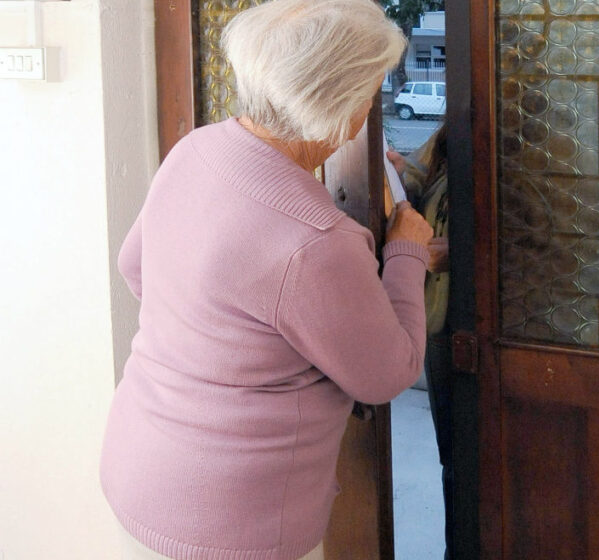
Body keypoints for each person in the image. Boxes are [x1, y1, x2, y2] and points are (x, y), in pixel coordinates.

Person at [99, 2, 433, 559]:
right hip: (228, 524)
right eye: (372, 90)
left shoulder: (196, 150)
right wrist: (407, 250)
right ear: (343, 104)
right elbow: (386, 374)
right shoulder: (315, 238)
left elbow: (135, 268)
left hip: (136, 469)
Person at [388, 124, 452, 559]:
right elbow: (417, 177)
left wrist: (461, 251)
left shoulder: (532, 145)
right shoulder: (449, 137)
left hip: (486, 322)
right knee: (454, 456)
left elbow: (538, 239)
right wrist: (396, 170)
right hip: (440, 321)